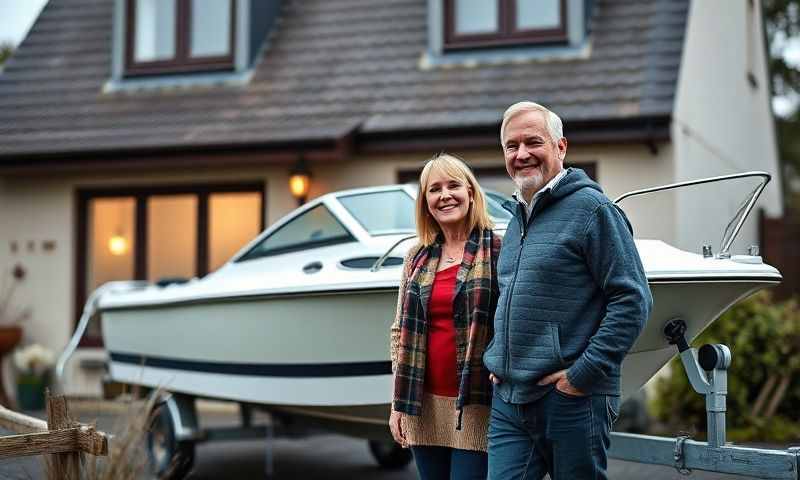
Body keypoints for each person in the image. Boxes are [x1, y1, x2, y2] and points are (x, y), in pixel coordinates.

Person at [483, 102, 652, 480]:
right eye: (512, 146)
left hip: (572, 399)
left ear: (560, 147)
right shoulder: (516, 220)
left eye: (533, 142)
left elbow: (633, 300)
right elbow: (508, 296)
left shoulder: (593, 209)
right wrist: (500, 358)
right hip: (510, 399)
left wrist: (582, 375)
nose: (522, 154)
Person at [389, 153, 502, 480]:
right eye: (434, 189)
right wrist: (397, 404)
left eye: (453, 185)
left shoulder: (498, 249)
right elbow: (399, 333)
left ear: (470, 192)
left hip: (476, 407)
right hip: (421, 406)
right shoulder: (416, 256)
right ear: (425, 203)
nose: (445, 195)